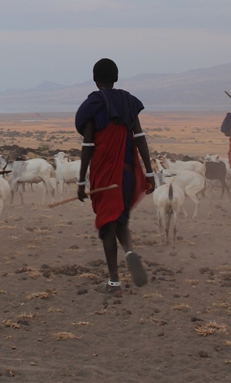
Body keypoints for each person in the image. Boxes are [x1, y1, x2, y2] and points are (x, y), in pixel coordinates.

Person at [76, 58, 156, 294]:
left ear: (94, 78)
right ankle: (130, 251)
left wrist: (81, 181)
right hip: (128, 173)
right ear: (117, 78)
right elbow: (139, 137)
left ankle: (113, 280)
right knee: (120, 219)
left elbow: (88, 144)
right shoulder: (129, 103)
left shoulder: (94, 105)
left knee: (107, 225)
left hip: (105, 176)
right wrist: (149, 172)